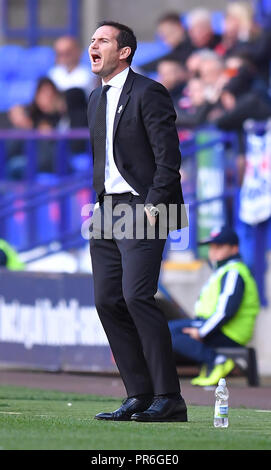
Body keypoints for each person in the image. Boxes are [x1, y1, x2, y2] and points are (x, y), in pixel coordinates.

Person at [87, 21, 187, 422]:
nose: (93, 45)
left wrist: (154, 203)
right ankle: (138, 394)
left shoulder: (150, 92)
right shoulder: (94, 98)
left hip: (145, 206)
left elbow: (169, 159)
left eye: (102, 40)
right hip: (107, 210)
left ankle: (169, 397)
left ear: (124, 51)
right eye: (92, 40)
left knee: (136, 297)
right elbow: (105, 163)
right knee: (106, 300)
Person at [169, 226, 260, 386]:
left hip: (229, 332)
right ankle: (212, 363)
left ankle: (217, 361)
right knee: (167, 330)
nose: (213, 251)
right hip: (219, 327)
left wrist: (202, 332)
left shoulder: (234, 272)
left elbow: (226, 311)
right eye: (211, 247)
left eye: (219, 246)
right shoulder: (224, 270)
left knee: (168, 332)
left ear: (234, 248)